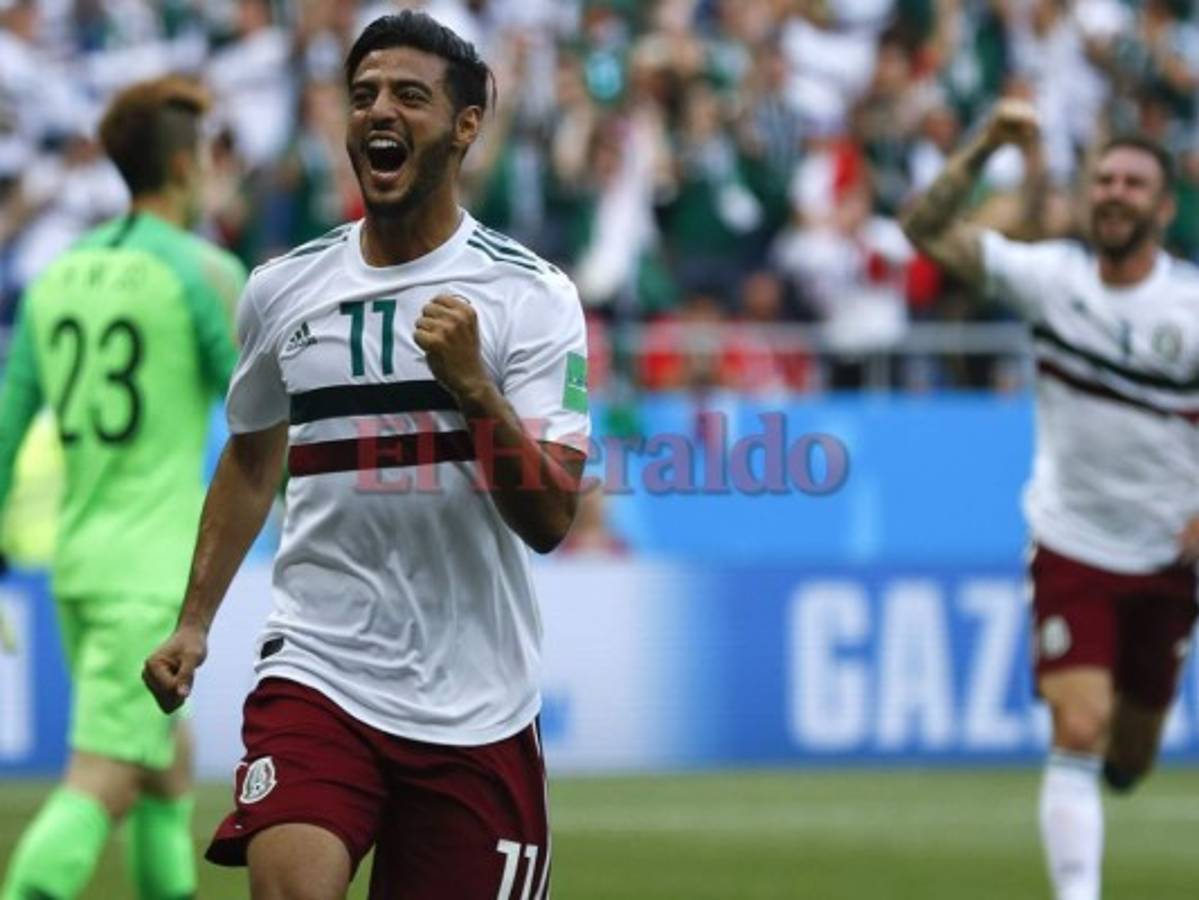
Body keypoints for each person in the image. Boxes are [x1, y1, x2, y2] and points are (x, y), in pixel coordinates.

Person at [142, 12, 589, 900]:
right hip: (317, 673)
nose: (379, 112)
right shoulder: (282, 291)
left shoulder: (529, 297)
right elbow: (249, 457)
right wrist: (195, 620)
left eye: (409, 97)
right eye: (363, 96)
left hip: (476, 707)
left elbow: (549, 517)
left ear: (466, 125)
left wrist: (473, 389)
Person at [901, 100, 1199, 900]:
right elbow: (924, 230)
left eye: (1133, 182)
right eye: (1102, 177)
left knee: (1129, 758)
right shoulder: (1051, 278)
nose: (1113, 192)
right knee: (1076, 730)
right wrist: (983, 146)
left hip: (1168, 555)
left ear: (1162, 207)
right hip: (1070, 539)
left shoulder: (1190, 309)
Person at [0, 75, 245, 900]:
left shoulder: (57, 275)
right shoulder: (205, 272)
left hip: (78, 567)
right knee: (105, 775)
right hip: (150, 576)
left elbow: (5, 427)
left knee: (167, 775)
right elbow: (262, 425)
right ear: (185, 166)